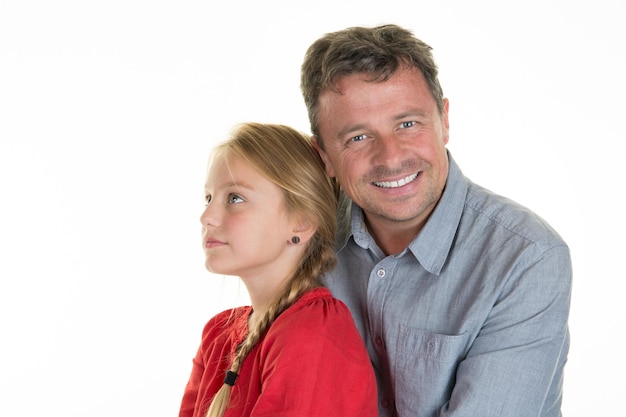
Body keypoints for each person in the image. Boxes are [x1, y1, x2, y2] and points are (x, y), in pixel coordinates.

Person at [300, 24, 572, 417]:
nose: (391, 157)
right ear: (323, 154)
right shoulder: (303, 238)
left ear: (444, 119)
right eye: (358, 137)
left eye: (407, 124)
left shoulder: (527, 257)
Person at [178, 122, 378, 417]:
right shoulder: (216, 336)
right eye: (208, 198)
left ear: (301, 222)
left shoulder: (312, 333)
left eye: (235, 198)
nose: (207, 216)